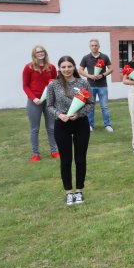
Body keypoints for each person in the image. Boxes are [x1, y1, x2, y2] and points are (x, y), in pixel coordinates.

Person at [46, 56, 92, 205]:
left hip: (80, 123)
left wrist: (78, 114)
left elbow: (91, 104)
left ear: (74, 67)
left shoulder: (83, 82)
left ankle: (79, 191)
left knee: (80, 159)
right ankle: (68, 192)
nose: (66, 69)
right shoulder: (53, 85)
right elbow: (49, 105)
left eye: (69, 66)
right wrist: (59, 115)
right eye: (63, 67)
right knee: (65, 160)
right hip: (62, 124)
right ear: (59, 68)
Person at [22, 45, 58, 162]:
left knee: (51, 127)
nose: (40, 53)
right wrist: (33, 98)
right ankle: (35, 153)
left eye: (42, 51)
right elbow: (25, 86)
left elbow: (54, 83)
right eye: (38, 52)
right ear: (34, 54)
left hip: (49, 101)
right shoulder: (29, 68)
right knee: (35, 129)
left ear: (45, 53)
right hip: (34, 102)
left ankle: (54, 151)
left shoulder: (51, 67)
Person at [78, 38, 114, 132]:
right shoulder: (86, 57)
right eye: (92, 45)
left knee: (104, 106)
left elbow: (111, 69)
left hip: (103, 85)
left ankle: (107, 125)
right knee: (90, 106)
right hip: (90, 85)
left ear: (99, 46)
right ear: (90, 47)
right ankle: (90, 125)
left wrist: (102, 75)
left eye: (96, 45)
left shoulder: (104, 57)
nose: (94, 47)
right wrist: (89, 75)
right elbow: (80, 70)